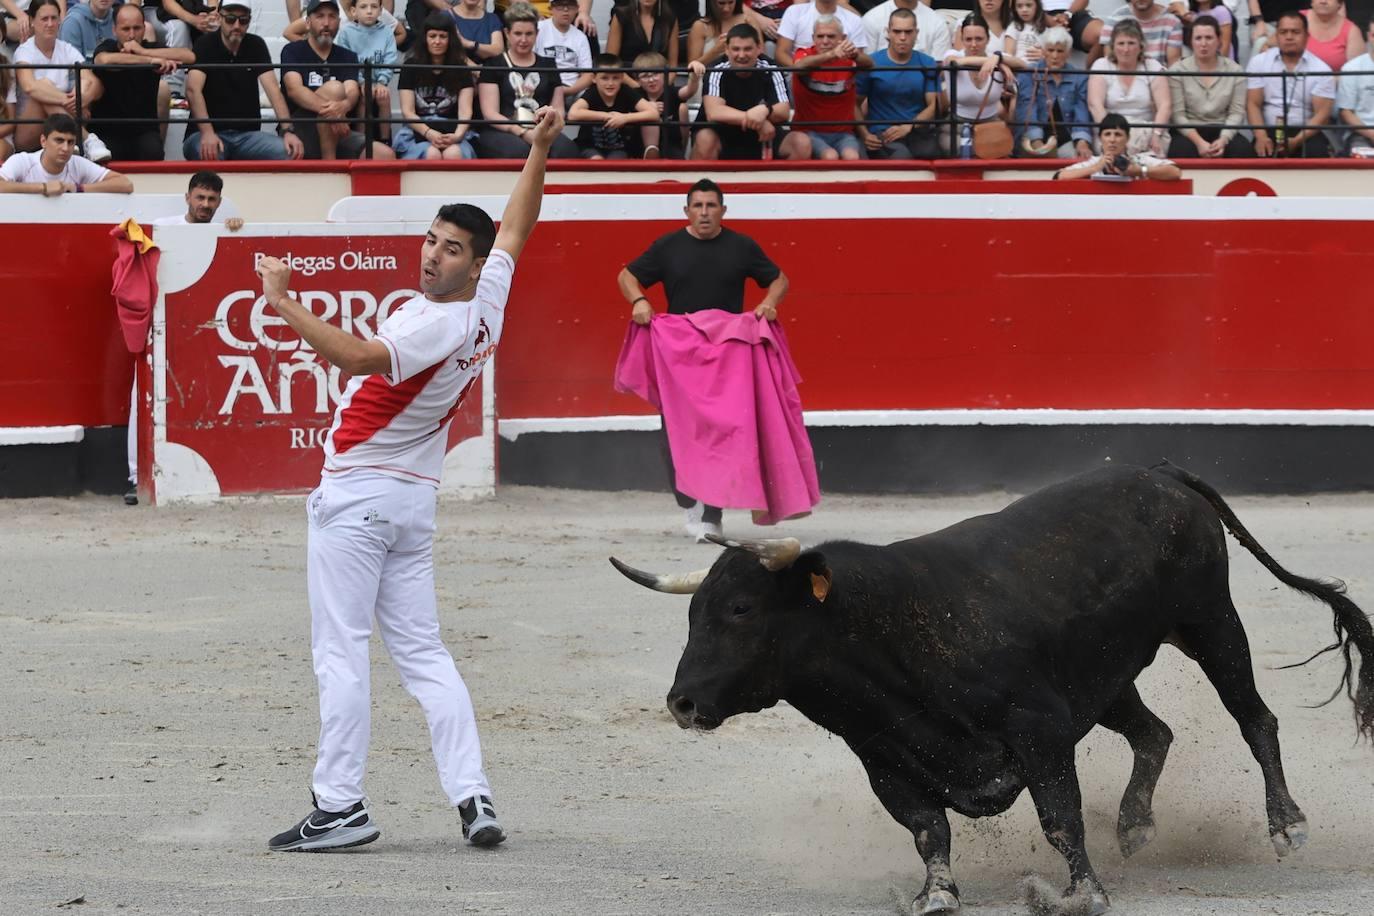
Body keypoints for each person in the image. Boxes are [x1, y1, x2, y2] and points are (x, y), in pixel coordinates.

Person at [261, 103, 564, 857]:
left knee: (341, 651)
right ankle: (473, 796)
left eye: (451, 249)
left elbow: (358, 359)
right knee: (426, 656)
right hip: (411, 504)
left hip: (360, 496)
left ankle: (340, 806)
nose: (432, 256)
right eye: (432, 239)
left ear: (470, 262)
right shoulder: (488, 302)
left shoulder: (432, 322)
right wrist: (540, 148)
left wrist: (282, 301)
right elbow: (518, 228)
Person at [617, 178, 789, 541]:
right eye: (698, 206)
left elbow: (779, 279)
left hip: (729, 357)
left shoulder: (741, 246)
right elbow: (627, 276)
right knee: (674, 434)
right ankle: (688, 498)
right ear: (687, 211)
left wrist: (769, 303)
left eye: (712, 206)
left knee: (724, 436)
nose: (705, 213)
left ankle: (712, 513)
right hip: (680, 355)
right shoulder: (668, 247)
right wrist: (639, 301)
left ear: (723, 211)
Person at [185, 0, 304, 160]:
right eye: (230, 19)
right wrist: (207, 132)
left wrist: (288, 131)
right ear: (220, 18)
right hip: (204, 134)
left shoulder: (256, 44)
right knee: (210, 153)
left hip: (248, 136)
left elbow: (273, 91)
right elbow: (193, 90)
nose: (236, 25)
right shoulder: (205, 44)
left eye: (243, 20)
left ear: (249, 22)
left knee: (288, 152)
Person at [280, 0, 395, 160]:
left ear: (339, 23)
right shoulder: (293, 50)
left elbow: (352, 90)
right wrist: (334, 114)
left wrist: (344, 106)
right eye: (320, 16)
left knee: (385, 155)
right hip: (302, 129)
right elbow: (295, 91)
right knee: (334, 88)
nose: (326, 23)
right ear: (307, 22)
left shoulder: (347, 55)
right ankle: (330, 165)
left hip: (339, 130)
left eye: (332, 17)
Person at [10, 0, 112, 161]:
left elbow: (95, 84)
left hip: (60, 118)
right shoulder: (24, 51)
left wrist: (83, 98)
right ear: (32, 21)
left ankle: (70, 139)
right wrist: (68, 102)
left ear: (59, 20)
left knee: (84, 84)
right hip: (28, 130)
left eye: (54, 18)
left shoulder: (66, 48)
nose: (50, 24)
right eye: (44, 19)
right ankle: (85, 138)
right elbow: (29, 86)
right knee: (43, 86)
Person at [89, 5, 194, 162]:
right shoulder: (107, 47)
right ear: (114, 30)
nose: (131, 35)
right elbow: (103, 60)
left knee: (153, 151)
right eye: (126, 29)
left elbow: (189, 56)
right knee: (104, 155)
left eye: (137, 28)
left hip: (144, 130)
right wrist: (150, 61)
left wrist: (143, 51)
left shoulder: (151, 48)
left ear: (144, 29)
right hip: (108, 130)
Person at [475, 2, 578, 158]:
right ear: (507, 33)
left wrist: (544, 130)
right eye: (518, 33)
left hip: (541, 129)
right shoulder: (493, 64)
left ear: (537, 34)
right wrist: (522, 132)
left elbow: (558, 108)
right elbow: (490, 113)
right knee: (519, 151)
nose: (523, 39)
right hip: (502, 130)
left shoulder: (549, 64)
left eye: (529, 34)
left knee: (566, 150)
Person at [694, 23, 806, 159]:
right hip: (723, 133)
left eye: (747, 49)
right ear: (727, 49)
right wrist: (757, 121)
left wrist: (765, 110)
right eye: (736, 49)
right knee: (705, 139)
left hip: (764, 136)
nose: (741, 55)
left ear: (759, 49)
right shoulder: (717, 69)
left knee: (801, 143)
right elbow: (714, 112)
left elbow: (783, 111)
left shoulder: (771, 68)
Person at [855, 7, 942, 158]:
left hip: (916, 131)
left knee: (932, 154)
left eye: (908, 32)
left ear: (916, 33)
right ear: (887, 32)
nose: (902, 37)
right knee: (902, 157)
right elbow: (853, 103)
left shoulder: (927, 62)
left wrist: (908, 126)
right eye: (897, 31)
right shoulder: (871, 63)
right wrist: (864, 134)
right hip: (883, 133)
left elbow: (933, 106)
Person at [1247, 11, 1335, 157]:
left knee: (1317, 153)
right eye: (1283, 32)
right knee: (1250, 153)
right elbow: (1252, 104)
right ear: (1276, 36)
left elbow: (1322, 115)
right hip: (1268, 130)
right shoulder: (1259, 62)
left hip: (1305, 132)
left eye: (1295, 32)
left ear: (1307, 36)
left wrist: (1297, 141)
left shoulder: (1321, 69)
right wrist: (1260, 136)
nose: (1289, 37)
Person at [393, 12, 476, 160]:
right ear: (425, 39)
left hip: (453, 130)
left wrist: (457, 136)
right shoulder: (410, 66)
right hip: (418, 130)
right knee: (432, 154)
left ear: (450, 39)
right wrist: (429, 133)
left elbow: (465, 111)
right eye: (432, 36)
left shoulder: (461, 68)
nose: (437, 41)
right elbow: (408, 111)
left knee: (454, 154)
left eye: (442, 36)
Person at [1167, 14, 1250, 156]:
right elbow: (1178, 115)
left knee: (1244, 151)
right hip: (1188, 131)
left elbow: (1236, 113)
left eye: (1209, 38)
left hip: (1223, 129)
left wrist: (1223, 139)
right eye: (1198, 38)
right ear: (1191, 42)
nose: (1203, 43)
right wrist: (1199, 143)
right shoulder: (1177, 70)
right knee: (1181, 151)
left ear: (1219, 41)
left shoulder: (1235, 70)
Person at [792, 14, 871, 159]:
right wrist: (832, 55)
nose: (825, 41)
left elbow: (870, 64)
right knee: (830, 156)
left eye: (831, 36)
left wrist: (855, 55)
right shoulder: (804, 53)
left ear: (842, 37)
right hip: (809, 131)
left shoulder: (849, 59)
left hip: (843, 133)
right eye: (820, 36)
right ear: (813, 37)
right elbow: (798, 67)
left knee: (852, 157)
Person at [1088, 18, 1169, 154]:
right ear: (1113, 46)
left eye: (1131, 43)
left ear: (1141, 46)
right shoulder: (1101, 65)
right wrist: (1113, 136)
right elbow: (1095, 105)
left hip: (1148, 130)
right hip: (1111, 131)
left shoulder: (1152, 66)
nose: (1126, 49)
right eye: (1121, 43)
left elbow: (1165, 105)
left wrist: (1156, 134)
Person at [0, 112, 134, 193]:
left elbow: (125, 184)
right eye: (59, 140)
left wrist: (79, 188)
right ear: (43, 141)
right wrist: (43, 188)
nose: (65, 148)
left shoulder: (77, 163)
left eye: (70, 142)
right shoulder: (23, 161)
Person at [1013, 25, 1092, 157]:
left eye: (1060, 51)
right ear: (1043, 51)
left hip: (1065, 137)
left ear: (1068, 53)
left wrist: (1082, 141)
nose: (1055, 56)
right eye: (1050, 50)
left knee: (1076, 157)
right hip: (1033, 136)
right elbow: (1027, 108)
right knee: (1039, 155)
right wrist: (1037, 142)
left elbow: (1081, 112)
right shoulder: (1029, 73)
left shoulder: (1079, 77)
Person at [942, 17, 1017, 156]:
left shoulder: (998, 57)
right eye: (968, 39)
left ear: (988, 39)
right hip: (957, 126)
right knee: (968, 153)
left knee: (1002, 154)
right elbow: (956, 62)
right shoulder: (952, 54)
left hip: (991, 126)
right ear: (962, 40)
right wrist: (997, 62)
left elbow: (1024, 64)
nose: (973, 44)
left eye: (979, 39)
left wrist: (998, 58)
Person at [568, 52, 662, 157]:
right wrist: (606, 116)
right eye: (605, 78)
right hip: (589, 146)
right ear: (594, 78)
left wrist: (624, 118)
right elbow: (573, 114)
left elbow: (653, 113)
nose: (610, 83)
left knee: (616, 162)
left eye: (615, 78)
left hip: (619, 147)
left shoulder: (625, 91)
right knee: (596, 161)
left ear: (622, 78)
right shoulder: (592, 92)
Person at [337, 0, 399, 142]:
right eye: (363, 7)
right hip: (355, 81)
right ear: (354, 11)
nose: (369, 11)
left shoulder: (386, 32)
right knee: (365, 96)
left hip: (379, 80)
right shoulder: (346, 32)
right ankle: (362, 140)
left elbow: (390, 58)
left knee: (384, 96)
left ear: (380, 10)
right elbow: (346, 62)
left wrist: (382, 82)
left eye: (374, 7)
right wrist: (363, 82)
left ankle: (385, 139)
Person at [1053, 110, 1181, 177]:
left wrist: (1139, 170)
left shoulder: (1138, 160)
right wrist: (1095, 168)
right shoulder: (1094, 162)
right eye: (1107, 134)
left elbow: (1175, 172)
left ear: (1127, 138)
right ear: (1100, 138)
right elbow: (1059, 176)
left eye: (1118, 134)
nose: (1112, 140)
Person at [633, 51, 702, 158]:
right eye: (645, 76)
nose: (651, 80)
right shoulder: (635, 94)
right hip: (640, 147)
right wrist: (647, 108)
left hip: (670, 145)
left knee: (683, 108)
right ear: (637, 80)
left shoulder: (671, 92)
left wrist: (694, 76)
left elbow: (689, 91)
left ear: (666, 74)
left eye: (655, 74)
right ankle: (651, 153)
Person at [775, 0, 866, 65]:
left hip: (840, 76)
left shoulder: (854, 20)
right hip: (800, 75)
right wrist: (799, 69)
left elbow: (860, 59)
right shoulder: (794, 12)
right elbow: (781, 53)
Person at [537, 0, 594, 97]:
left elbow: (588, 75)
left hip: (572, 88)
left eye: (570, 6)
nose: (565, 10)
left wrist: (569, 90)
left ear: (577, 9)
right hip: (543, 87)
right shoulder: (538, 29)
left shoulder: (581, 37)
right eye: (560, 6)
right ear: (551, 8)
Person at [1098, 0, 1182, 65]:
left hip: (1159, 80)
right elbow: (1110, 62)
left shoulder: (1172, 21)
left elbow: (1173, 66)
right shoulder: (1114, 20)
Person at [861, 0, 952, 58]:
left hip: (923, 84)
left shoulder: (938, 22)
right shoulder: (871, 18)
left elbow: (939, 66)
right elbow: (867, 63)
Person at [608, 0, 679, 71]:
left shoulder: (669, 19)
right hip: (627, 77)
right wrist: (636, 82)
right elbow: (611, 62)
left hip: (659, 78)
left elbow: (673, 66)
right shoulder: (621, 16)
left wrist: (666, 80)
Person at [1338, 17, 1374, 156]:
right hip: (1361, 134)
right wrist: (1371, 134)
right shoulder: (1351, 68)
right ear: (1368, 36)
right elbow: (1346, 112)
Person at [1301, 0, 1365, 71]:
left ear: (1340, 3)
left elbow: (1356, 73)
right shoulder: (1297, 20)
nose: (1323, 1)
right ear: (1312, 2)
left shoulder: (1352, 31)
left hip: (1336, 81)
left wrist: (1327, 80)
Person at [688, 0, 750, 67]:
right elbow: (692, 67)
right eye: (721, 3)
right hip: (708, 75)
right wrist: (716, 50)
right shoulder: (700, 26)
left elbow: (759, 57)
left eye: (731, 2)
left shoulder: (747, 20)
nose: (726, 8)